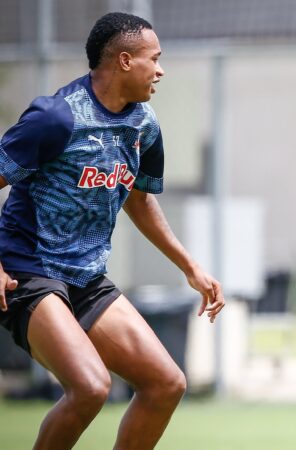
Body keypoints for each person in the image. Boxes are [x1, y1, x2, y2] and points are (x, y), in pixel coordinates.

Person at [0, 12, 225, 450]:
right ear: (124, 60)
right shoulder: (57, 118)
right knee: (90, 387)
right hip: (29, 270)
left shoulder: (144, 125)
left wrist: (190, 266)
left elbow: (138, 200)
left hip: (87, 277)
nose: (160, 70)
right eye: (153, 59)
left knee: (166, 383)